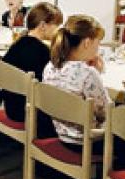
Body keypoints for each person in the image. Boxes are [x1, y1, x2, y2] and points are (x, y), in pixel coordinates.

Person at [42, 15, 110, 151]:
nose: (98, 48)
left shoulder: (50, 66)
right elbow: (107, 113)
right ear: (87, 43)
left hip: (61, 133)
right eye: (98, 43)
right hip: (87, 141)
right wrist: (98, 74)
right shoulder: (88, 73)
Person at [0, 2, 63, 131]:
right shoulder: (42, 52)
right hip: (30, 113)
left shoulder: (18, 44)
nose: (58, 30)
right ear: (43, 25)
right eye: (57, 25)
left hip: (11, 108)